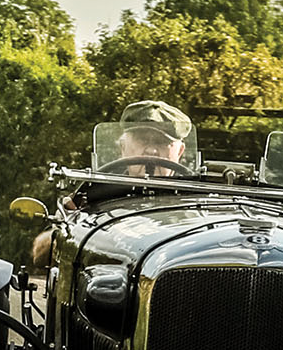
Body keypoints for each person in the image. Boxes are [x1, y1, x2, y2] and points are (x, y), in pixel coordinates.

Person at [30, 100, 194, 266]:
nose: (151, 150)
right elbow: (40, 255)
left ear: (179, 151)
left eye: (161, 142)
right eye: (142, 140)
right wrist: (70, 226)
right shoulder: (94, 194)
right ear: (123, 147)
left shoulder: (197, 205)